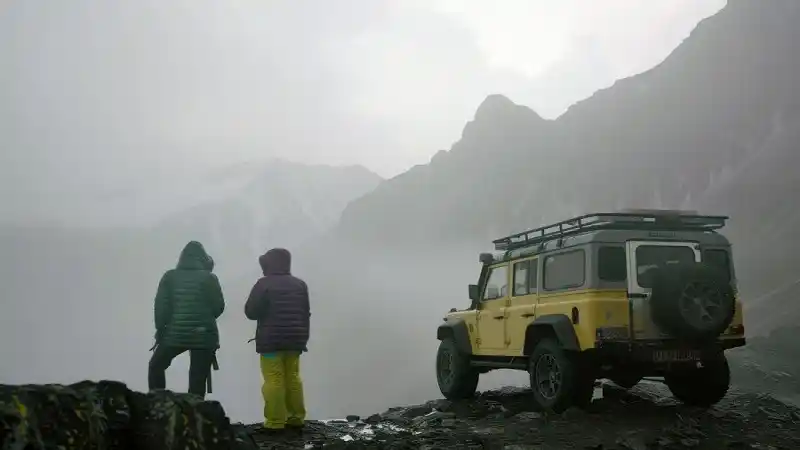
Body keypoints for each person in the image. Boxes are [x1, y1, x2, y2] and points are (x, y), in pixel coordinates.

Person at [245, 248, 310, 434]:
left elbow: (251, 312)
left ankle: (275, 421)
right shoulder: (300, 285)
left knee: (274, 380)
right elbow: (306, 312)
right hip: (296, 339)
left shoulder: (264, 284)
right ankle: (296, 417)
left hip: (271, 340)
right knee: (293, 378)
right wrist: (303, 336)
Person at [148, 241, 225, 398]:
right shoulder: (209, 278)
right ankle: (195, 414)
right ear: (204, 259)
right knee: (197, 378)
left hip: (174, 334)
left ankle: (158, 403)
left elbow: (161, 308)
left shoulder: (169, 277)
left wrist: (161, 329)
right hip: (204, 335)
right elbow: (218, 307)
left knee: (156, 366)